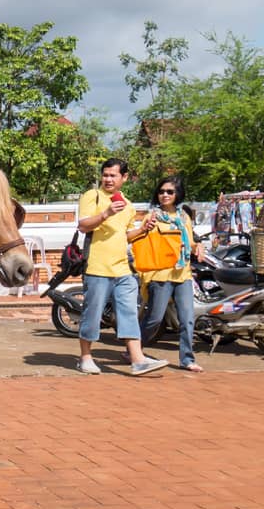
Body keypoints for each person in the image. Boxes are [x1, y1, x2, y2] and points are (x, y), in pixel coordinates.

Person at [75, 158, 167, 376]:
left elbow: (126, 236)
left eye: (113, 175)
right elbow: (83, 225)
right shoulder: (92, 196)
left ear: (124, 178)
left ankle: (137, 359)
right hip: (97, 266)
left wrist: (144, 228)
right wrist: (106, 213)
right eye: (105, 175)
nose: (108, 179)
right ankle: (85, 357)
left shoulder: (128, 205)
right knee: (92, 313)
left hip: (123, 268)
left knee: (128, 312)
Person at [141, 175, 205, 373]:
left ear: (178, 194)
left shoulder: (183, 217)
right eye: (161, 191)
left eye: (170, 191)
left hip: (182, 274)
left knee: (187, 318)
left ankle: (187, 359)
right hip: (161, 274)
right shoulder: (152, 217)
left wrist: (197, 246)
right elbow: (146, 242)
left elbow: (190, 242)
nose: (165, 195)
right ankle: (135, 348)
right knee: (155, 318)